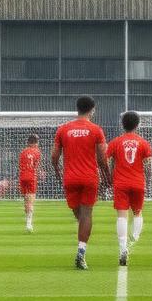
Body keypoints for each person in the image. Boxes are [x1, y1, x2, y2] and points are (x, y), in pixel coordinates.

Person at [51, 95, 109, 270]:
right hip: (89, 177)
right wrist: (107, 175)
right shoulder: (96, 130)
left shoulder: (63, 129)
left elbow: (54, 157)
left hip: (70, 178)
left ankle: (81, 247)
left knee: (79, 215)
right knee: (86, 215)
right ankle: (81, 251)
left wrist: (57, 171)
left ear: (77, 109)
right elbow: (102, 158)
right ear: (92, 110)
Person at [106, 110, 152, 266]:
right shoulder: (143, 143)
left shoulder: (115, 142)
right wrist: (149, 180)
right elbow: (149, 166)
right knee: (138, 212)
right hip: (138, 183)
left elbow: (108, 161)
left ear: (122, 125)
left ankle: (122, 248)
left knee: (121, 216)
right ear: (137, 125)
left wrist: (109, 177)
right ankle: (135, 237)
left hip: (120, 183)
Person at [18, 134, 42, 232]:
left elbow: (20, 165)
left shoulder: (23, 152)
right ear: (36, 143)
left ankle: (27, 220)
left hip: (23, 177)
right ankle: (29, 224)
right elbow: (36, 166)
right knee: (31, 200)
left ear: (28, 142)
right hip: (31, 177)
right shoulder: (37, 152)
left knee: (26, 199)